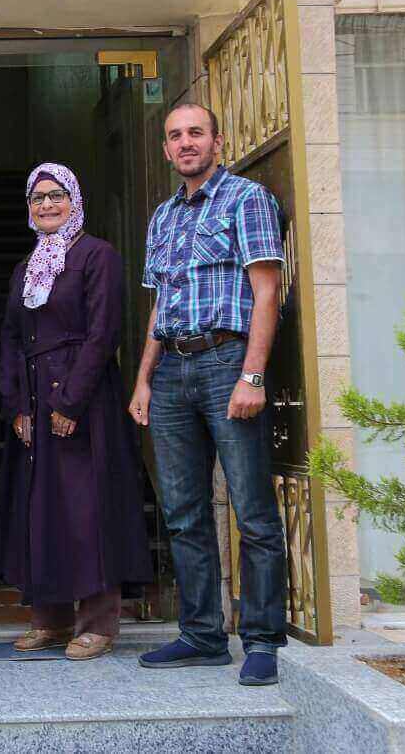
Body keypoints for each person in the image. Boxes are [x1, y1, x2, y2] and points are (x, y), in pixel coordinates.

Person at [128, 101, 287, 687]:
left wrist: (252, 375)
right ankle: (201, 635)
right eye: (175, 136)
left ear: (217, 141)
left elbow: (266, 293)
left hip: (227, 362)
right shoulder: (163, 216)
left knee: (252, 510)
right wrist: (144, 378)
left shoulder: (247, 199)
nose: (186, 143)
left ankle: (262, 640)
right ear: (166, 149)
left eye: (196, 132)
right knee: (183, 512)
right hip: (172, 368)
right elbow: (160, 304)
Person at [0, 163, 153, 660]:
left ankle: (98, 624)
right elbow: (11, 338)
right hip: (34, 400)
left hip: (84, 401)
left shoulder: (97, 255)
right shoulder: (26, 267)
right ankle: (51, 619)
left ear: (74, 200)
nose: (47, 205)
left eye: (56, 195)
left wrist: (71, 400)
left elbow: (103, 333)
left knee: (87, 510)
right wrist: (16, 405)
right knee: (42, 510)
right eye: (37, 198)